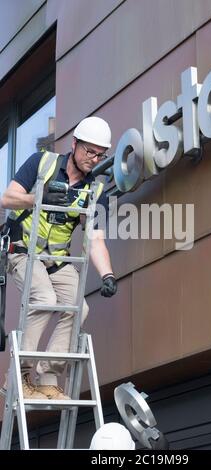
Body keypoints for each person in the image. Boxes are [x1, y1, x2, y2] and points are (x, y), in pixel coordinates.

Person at [0, 116, 117, 400]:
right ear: (74, 144)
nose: (94, 158)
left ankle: (47, 374)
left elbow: (95, 239)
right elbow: (7, 198)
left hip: (55, 259)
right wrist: (39, 197)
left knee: (80, 308)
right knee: (44, 299)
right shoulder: (42, 163)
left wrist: (107, 275)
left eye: (100, 154)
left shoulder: (94, 192)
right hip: (23, 249)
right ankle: (19, 375)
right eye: (89, 151)